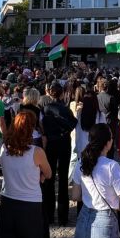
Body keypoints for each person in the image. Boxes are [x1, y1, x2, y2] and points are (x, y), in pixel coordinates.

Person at [41, 84, 77, 227]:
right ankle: (63, 217)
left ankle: (49, 215)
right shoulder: (65, 109)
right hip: (63, 142)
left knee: (49, 179)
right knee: (62, 179)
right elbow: (74, 123)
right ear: (61, 94)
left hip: (50, 143)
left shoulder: (45, 109)